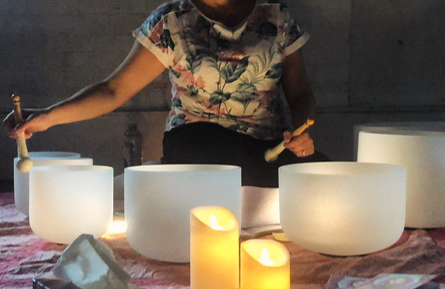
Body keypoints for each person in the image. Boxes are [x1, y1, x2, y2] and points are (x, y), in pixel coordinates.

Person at [3, 0, 329, 187]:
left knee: (325, 182)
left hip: (267, 146)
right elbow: (113, 90)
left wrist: (301, 132)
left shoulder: (275, 16)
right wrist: (48, 117)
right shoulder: (172, 21)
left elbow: (301, 96)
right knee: (223, 166)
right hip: (199, 144)